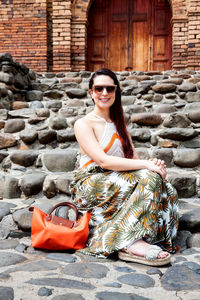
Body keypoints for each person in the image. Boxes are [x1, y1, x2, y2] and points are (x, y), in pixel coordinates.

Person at [70, 68, 179, 266]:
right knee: (149, 177)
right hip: (91, 182)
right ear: (91, 93)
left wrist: (153, 166)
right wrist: (146, 165)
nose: (104, 93)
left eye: (109, 88)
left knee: (166, 187)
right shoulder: (84, 123)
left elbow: (133, 159)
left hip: (119, 179)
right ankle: (130, 241)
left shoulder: (120, 124)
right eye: (99, 88)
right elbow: (103, 162)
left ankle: (150, 236)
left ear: (116, 91)